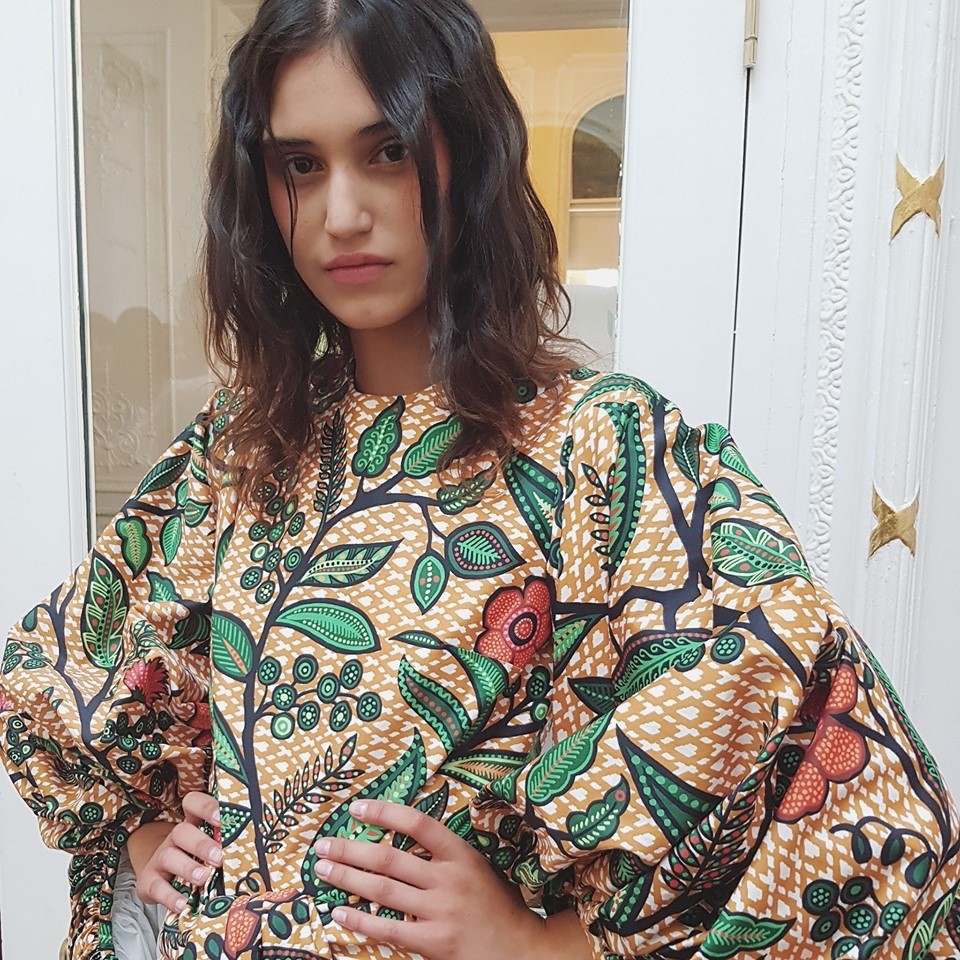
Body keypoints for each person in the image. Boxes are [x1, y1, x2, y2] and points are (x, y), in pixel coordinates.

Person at [2, 1, 959, 958]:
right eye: (302, 164)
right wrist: (142, 833)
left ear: (469, 154)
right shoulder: (239, 448)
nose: (342, 213)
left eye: (387, 152)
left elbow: (813, 757)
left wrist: (541, 946)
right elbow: (62, 675)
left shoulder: (601, 447)